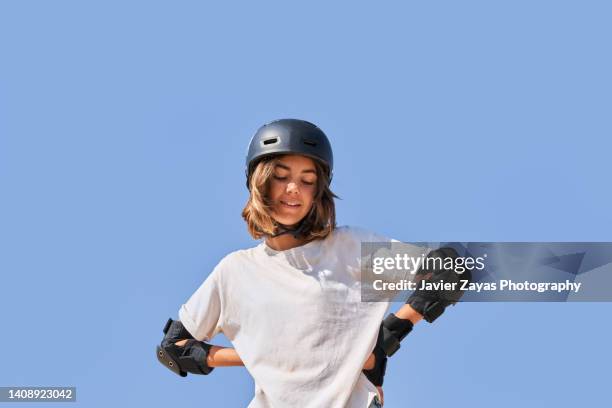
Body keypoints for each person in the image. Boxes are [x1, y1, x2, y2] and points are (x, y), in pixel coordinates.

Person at [156, 119, 469, 407]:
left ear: (318, 192)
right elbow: (175, 347)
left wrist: (390, 334)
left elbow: (450, 270)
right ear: (259, 183)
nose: (293, 189)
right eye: (280, 177)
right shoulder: (235, 272)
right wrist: (255, 358)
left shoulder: (349, 248)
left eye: (307, 181)